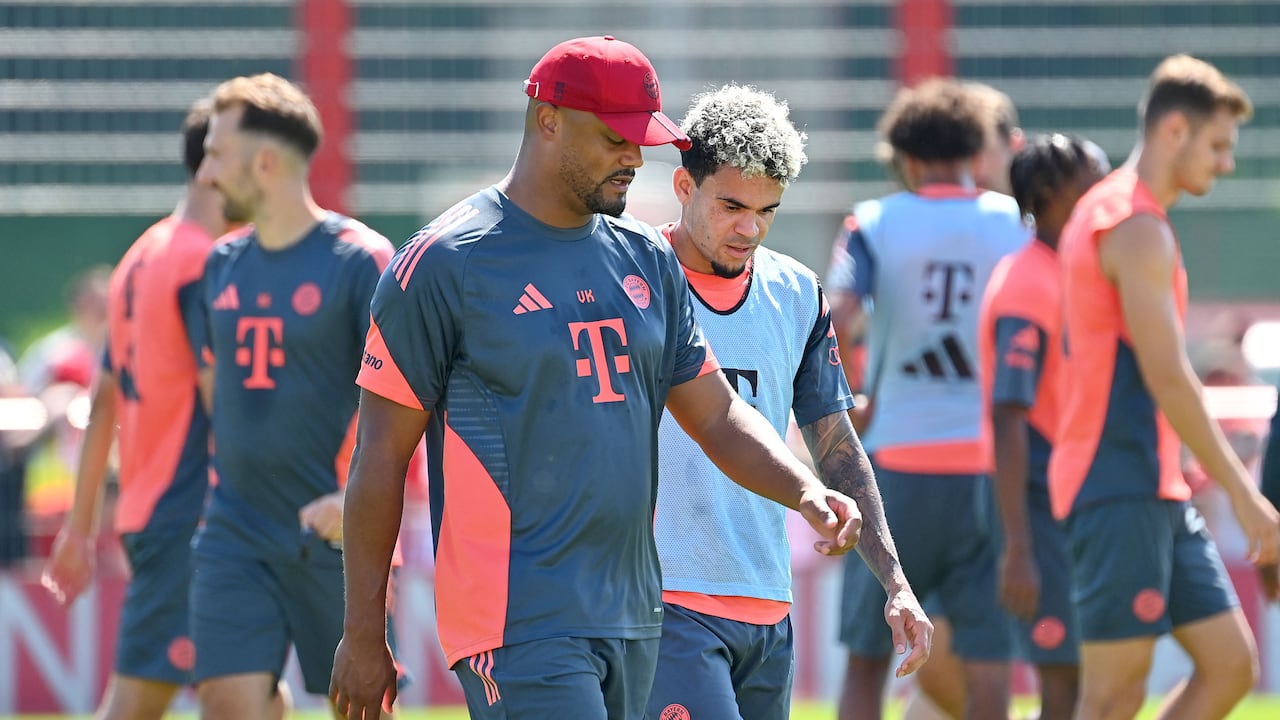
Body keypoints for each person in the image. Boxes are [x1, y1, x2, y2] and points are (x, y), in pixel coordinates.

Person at [328, 36, 862, 720]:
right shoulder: (443, 264)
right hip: (517, 620)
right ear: (547, 121)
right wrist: (366, 631)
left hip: (637, 617)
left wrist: (807, 493)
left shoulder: (645, 258)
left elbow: (718, 416)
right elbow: (379, 456)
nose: (634, 159)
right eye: (616, 139)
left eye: (643, 141)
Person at [645, 84, 931, 720]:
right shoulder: (631, 279)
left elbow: (835, 442)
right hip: (663, 603)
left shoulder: (797, 292)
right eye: (732, 205)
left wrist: (896, 585)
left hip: (769, 608)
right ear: (685, 187)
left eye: (767, 210)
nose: (750, 228)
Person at [1050, 54, 1279, 720]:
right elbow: (1168, 376)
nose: (1226, 164)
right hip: (1114, 484)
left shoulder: (1127, 214)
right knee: (1112, 699)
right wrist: (1244, 493)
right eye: (1218, 145)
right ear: (1174, 130)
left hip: (1151, 486)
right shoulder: (1132, 224)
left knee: (1230, 665)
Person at [190, 73, 398, 720]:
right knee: (226, 703)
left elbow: (409, 401)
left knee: (358, 706)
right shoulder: (220, 264)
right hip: (234, 528)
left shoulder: (360, 260)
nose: (205, 174)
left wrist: (353, 500)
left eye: (217, 154)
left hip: (332, 532)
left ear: (266, 161)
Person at [827, 77, 1027, 720]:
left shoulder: (875, 220)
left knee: (866, 656)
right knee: (990, 659)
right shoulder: (1014, 221)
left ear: (907, 158)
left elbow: (839, 312)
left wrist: (853, 388)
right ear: (974, 152)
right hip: (990, 468)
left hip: (897, 462)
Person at [36, 98, 231, 720]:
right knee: (136, 703)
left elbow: (104, 399)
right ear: (214, 166)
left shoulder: (138, 257)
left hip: (155, 512)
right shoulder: (201, 262)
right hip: (191, 515)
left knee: (250, 697)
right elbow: (218, 403)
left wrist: (80, 523)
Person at [977, 133, 1109, 720]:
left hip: (1066, 506)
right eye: (1095, 175)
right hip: (1036, 509)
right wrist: (1020, 548)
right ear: (1055, 193)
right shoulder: (1028, 283)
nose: (1106, 187)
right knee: (1062, 683)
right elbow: (1009, 418)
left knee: (1080, 681)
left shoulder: (1064, 269)